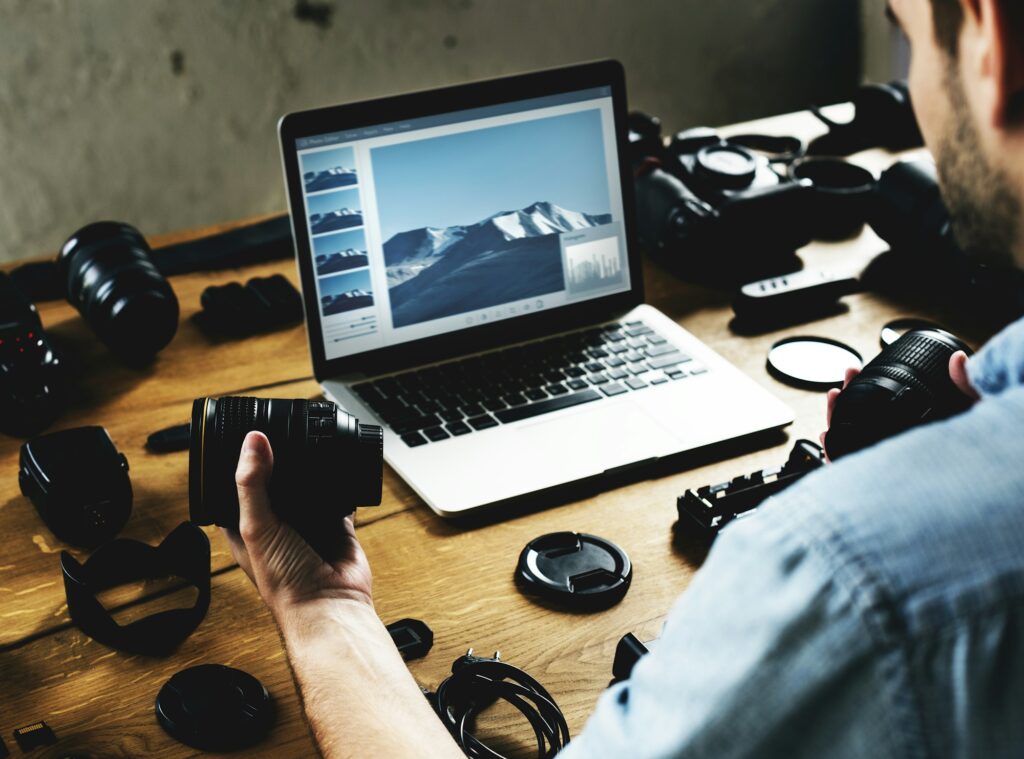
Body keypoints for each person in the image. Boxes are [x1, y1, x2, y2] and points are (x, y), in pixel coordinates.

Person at [225, 0, 1024, 756]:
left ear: (988, 37)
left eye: (911, 35)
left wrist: (322, 605)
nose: (913, 84)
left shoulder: (836, 578)